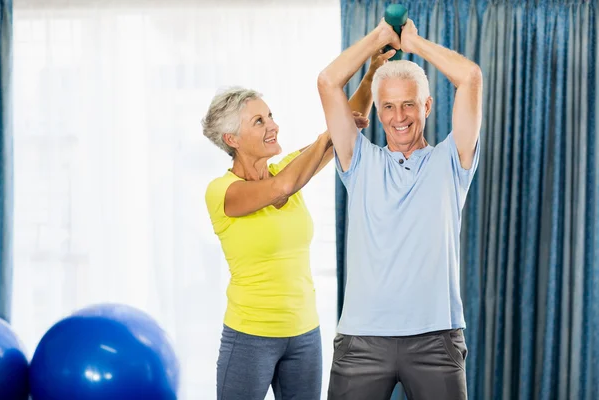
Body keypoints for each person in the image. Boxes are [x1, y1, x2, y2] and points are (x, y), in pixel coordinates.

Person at [202, 51, 393, 400]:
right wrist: (324, 137)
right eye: (259, 121)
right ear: (232, 139)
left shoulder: (287, 170)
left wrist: (371, 76)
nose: (273, 125)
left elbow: (344, 133)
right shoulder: (222, 191)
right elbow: (280, 190)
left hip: (304, 333)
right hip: (250, 336)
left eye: (270, 115)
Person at [317, 16, 483, 400]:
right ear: (377, 108)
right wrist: (378, 37)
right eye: (388, 106)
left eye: (409, 104)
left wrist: (414, 43)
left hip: (435, 340)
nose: (399, 117)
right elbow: (327, 82)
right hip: (361, 342)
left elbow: (470, 77)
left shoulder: (451, 161)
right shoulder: (359, 161)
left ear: (426, 104)